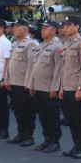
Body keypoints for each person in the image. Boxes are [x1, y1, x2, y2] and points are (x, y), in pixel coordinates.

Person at [26, 20, 63, 152]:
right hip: (38, 87)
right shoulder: (40, 46)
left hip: (49, 88)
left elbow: (59, 69)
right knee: (42, 116)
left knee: (52, 116)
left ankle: (55, 141)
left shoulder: (57, 46)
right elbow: (33, 67)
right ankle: (47, 139)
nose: (43, 30)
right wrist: (31, 85)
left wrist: (55, 88)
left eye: (46, 28)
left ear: (54, 30)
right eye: (42, 28)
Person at [58, 15, 81, 159]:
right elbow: (64, 67)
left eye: (68, 25)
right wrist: (61, 87)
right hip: (66, 87)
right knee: (70, 119)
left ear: (77, 27)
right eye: (65, 25)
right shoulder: (66, 43)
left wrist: (79, 88)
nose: (65, 27)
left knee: (79, 119)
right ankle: (75, 145)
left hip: (76, 87)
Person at [5, 19, 37, 146]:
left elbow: (31, 65)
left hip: (23, 84)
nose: (14, 29)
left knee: (27, 111)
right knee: (17, 110)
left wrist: (29, 83)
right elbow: (9, 63)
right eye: (14, 26)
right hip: (13, 83)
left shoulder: (31, 44)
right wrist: (7, 79)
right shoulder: (14, 43)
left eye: (17, 27)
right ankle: (20, 133)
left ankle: (29, 136)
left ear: (25, 29)